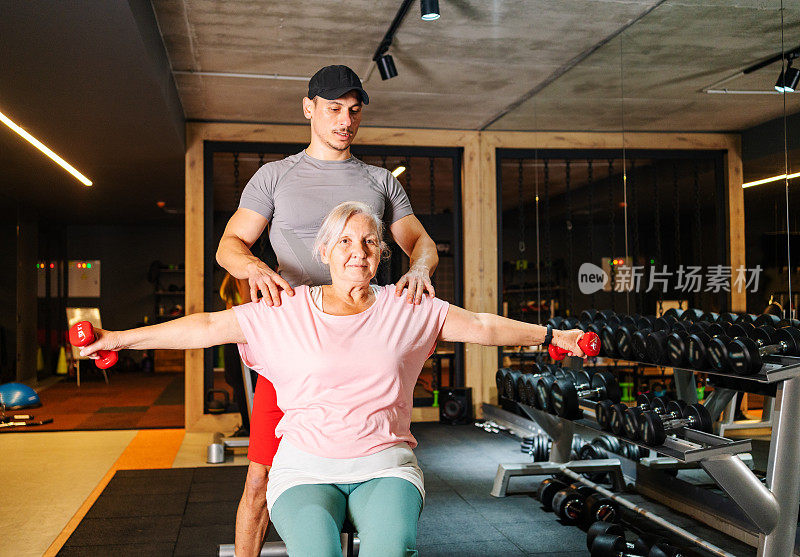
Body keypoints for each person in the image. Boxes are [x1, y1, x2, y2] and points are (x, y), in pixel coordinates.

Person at [80, 201, 588, 557]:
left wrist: (551, 335)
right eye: (344, 240)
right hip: (304, 468)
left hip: (384, 464)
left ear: (380, 256)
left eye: (368, 241)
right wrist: (117, 339)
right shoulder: (285, 309)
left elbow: (480, 325)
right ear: (324, 252)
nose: (357, 250)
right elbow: (207, 326)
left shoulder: (407, 306)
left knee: (392, 549)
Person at [215, 64, 440, 556]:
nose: (345, 120)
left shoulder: (381, 181)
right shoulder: (274, 177)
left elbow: (420, 242)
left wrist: (420, 268)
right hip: (295, 349)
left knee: (373, 476)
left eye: (354, 111)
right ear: (308, 109)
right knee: (259, 478)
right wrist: (252, 268)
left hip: (363, 350)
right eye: (334, 109)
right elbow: (229, 244)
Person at [219, 273, 252, 435]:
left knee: (240, 381)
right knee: (233, 379)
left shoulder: (242, 276)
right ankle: (246, 424)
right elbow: (229, 305)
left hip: (241, 332)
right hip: (230, 332)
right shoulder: (229, 277)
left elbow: (247, 303)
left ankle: (249, 426)